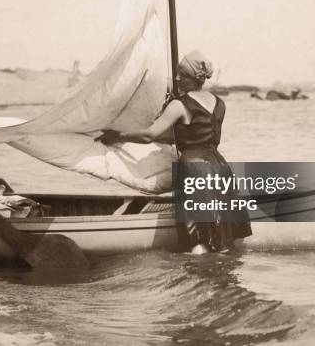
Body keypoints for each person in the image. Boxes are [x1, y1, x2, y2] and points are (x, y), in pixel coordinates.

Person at [97, 50, 252, 253]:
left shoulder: (179, 105)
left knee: (197, 240)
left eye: (182, 74)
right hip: (220, 167)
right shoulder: (219, 104)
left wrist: (118, 136)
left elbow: (149, 135)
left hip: (193, 170)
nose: (177, 78)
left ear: (193, 78)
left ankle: (197, 279)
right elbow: (196, 135)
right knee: (225, 235)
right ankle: (224, 277)